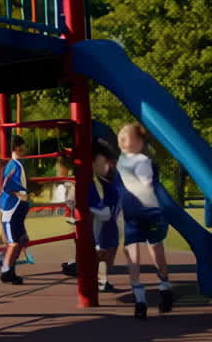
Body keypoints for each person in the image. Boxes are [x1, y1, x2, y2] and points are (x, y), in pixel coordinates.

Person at [116, 122, 174, 319]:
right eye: (120, 137)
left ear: (139, 142)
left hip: (150, 213)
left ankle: (165, 287)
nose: (122, 140)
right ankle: (139, 300)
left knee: (156, 250)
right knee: (132, 255)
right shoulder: (121, 162)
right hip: (132, 216)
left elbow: (145, 185)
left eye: (127, 137)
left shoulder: (143, 161)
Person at [61, 139, 124, 292]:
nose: (110, 165)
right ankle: (81, 269)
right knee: (101, 251)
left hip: (107, 221)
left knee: (108, 252)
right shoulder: (90, 182)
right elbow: (87, 204)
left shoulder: (107, 182)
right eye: (105, 161)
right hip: (100, 222)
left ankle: (98, 279)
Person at [0, 136, 31, 285]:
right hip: (11, 209)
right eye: (23, 146)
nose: (25, 149)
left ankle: (9, 266)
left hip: (17, 208)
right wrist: (20, 194)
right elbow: (6, 186)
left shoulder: (16, 165)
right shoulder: (14, 165)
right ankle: (6, 269)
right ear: (18, 148)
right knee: (13, 243)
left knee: (22, 240)